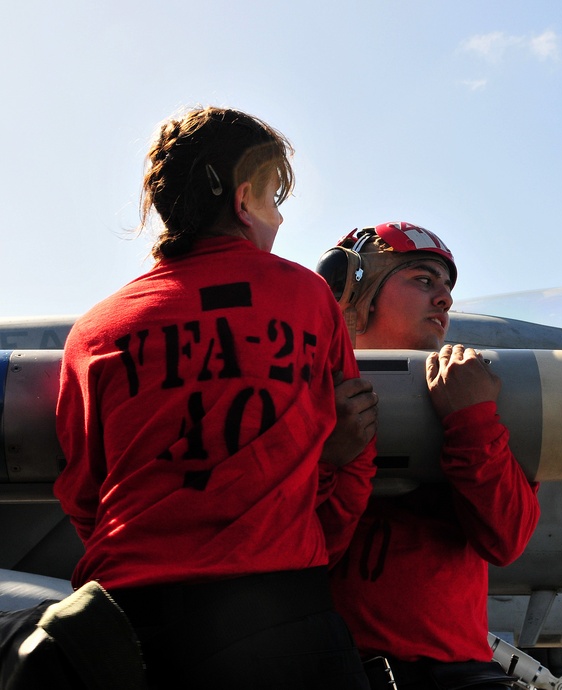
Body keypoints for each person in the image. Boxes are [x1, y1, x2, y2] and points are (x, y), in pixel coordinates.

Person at [52, 107, 375, 689]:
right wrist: (310, 546)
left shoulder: (94, 331)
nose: (278, 221)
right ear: (244, 199)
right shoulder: (306, 296)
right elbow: (357, 445)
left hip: (122, 627)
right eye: (276, 199)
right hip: (280, 615)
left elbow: (82, 495)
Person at [316, 222, 540, 690]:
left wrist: (473, 419)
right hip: (343, 671)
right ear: (358, 291)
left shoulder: (483, 390)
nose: (445, 299)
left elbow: (506, 539)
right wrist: (333, 458)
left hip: (460, 674)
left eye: (446, 286)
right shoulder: (305, 391)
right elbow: (305, 550)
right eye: (422, 280)